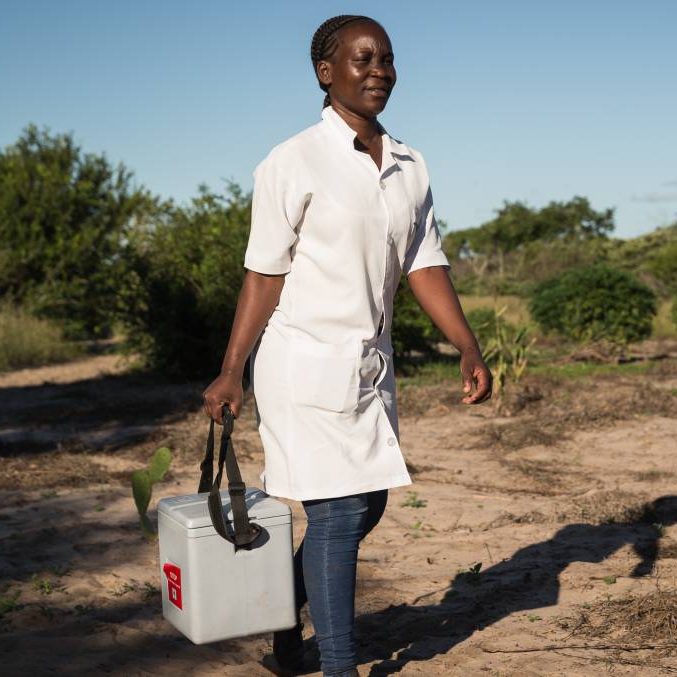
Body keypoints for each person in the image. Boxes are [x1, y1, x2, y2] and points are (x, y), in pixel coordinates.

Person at [201, 14, 492, 677]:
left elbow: (425, 264)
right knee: (335, 513)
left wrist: (467, 346)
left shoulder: (410, 166)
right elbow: (263, 273)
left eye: (387, 59)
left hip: (368, 366)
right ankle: (338, 665)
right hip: (301, 362)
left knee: (371, 501)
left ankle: (280, 614)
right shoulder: (292, 160)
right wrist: (230, 370)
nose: (380, 71)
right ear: (325, 73)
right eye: (362, 60)